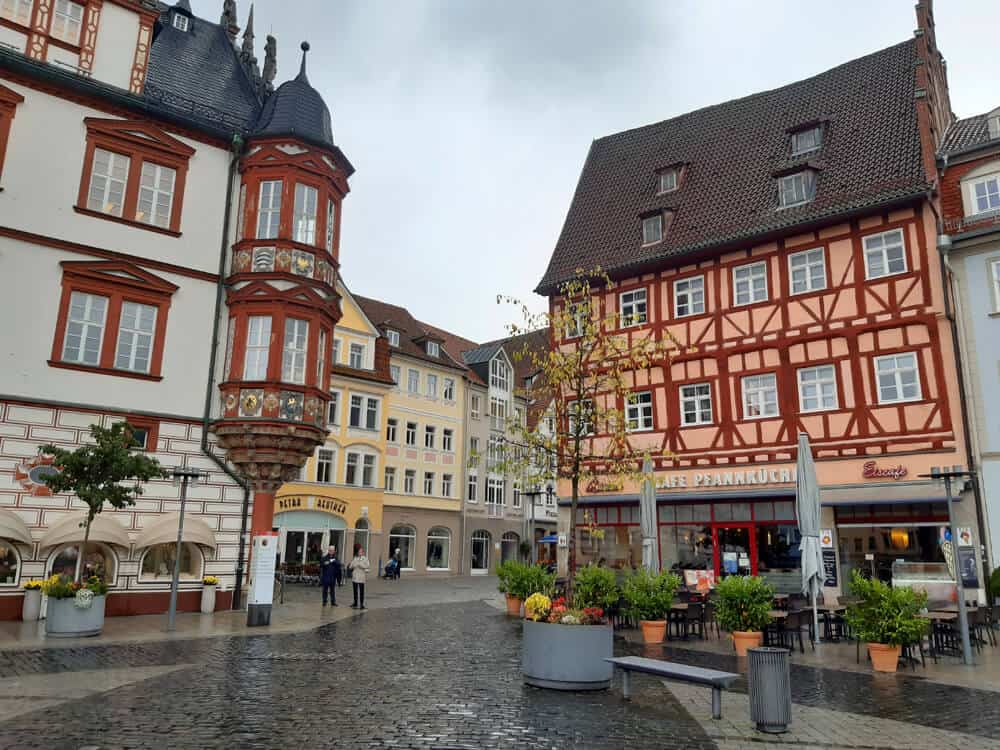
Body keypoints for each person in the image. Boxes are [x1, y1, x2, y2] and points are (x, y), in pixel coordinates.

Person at [349, 543, 370, 609]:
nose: (360, 553)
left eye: (361, 552)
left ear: (363, 552)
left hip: (361, 577)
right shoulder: (355, 558)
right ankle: (355, 603)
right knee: (355, 591)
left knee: (361, 592)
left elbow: (367, 566)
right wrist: (354, 565)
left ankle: (361, 604)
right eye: (359, 552)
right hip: (355, 577)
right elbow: (350, 566)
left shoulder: (365, 559)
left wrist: (361, 565)